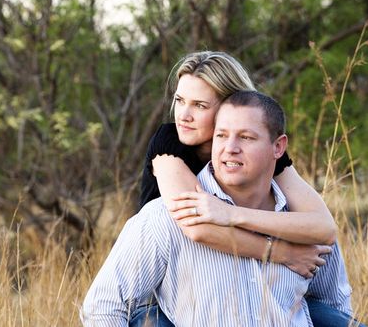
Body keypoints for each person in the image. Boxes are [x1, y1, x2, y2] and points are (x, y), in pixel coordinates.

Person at [81, 91, 357, 326]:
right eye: (221, 135)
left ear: (278, 147)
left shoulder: (304, 227)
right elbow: (103, 308)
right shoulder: (164, 218)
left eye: (246, 137)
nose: (230, 148)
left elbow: (332, 309)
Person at [134, 51, 351, 326]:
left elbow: (324, 227)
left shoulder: (259, 150)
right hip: (170, 298)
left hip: (254, 289)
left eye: (200, 105)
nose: (184, 115)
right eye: (179, 101)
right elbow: (197, 226)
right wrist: (282, 253)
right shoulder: (169, 143)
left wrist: (235, 216)